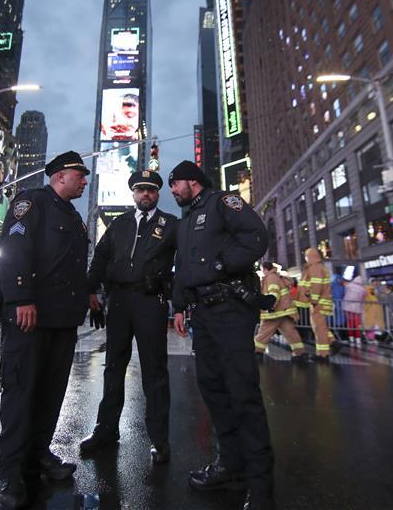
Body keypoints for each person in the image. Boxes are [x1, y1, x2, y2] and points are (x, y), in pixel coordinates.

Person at [169, 160, 274, 510]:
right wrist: (179, 307)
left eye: (175, 184)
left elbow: (256, 236)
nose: (172, 191)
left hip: (230, 310)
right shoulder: (185, 224)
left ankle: (261, 487)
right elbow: (182, 269)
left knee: (242, 392)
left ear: (191, 181)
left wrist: (221, 264)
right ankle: (231, 466)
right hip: (203, 315)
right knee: (213, 390)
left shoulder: (223, 203)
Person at [0, 151, 92, 509]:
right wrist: (21, 296)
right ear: (59, 176)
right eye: (79, 175)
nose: (84, 180)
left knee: (51, 393)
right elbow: (15, 248)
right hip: (29, 316)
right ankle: (11, 472)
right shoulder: (32, 202)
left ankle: (38, 455)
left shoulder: (73, 215)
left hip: (62, 319)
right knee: (21, 392)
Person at [81, 169, 178, 463]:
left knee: (155, 371)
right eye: (140, 190)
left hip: (151, 301)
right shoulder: (120, 224)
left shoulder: (171, 225)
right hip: (120, 301)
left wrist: (182, 304)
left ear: (157, 194)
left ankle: (159, 439)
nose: (145, 194)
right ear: (133, 194)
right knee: (113, 367)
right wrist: (91, 292)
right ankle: (106, 430)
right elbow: (99, 258)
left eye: (150, 190)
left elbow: (185, 262)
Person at [254, 262, 307, 362]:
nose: (262, 272)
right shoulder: (278, 277)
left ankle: (257, 352)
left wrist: (270, 306)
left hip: (274, 312)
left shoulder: (270, 278)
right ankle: (300, 353)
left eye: (262, 269)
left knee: (263, 333)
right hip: (284, 311)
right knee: (291, 333)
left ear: (265, 269)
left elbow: (274, 293)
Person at [296, 248, 334, 361]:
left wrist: (313, 299)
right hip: (319, 303)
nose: (306, 259)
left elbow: (316, 285)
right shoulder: (318, 267)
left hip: (318, 303)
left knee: (319, 328)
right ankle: (331, 344)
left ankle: (323, 354)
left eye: (307, 256)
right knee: (320, 327)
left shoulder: (315, 268)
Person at [342, 275, 367, 346]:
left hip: (347, 307)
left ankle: (351, 338)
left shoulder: (349, 286)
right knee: (357, 324)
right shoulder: (363, 289)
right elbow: (364, 297)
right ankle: (358, 339)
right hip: (357, 308)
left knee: (350, 323)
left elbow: (345, 293)